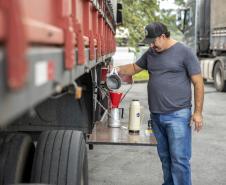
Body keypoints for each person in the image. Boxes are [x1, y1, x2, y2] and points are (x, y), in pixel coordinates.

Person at [115, 22, 204, 185]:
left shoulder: (184, 52)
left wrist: (198, 113)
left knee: (179, 160)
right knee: (165, 159)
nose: (151, 45)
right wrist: (115, 69)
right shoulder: (151, 53)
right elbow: (134, 68)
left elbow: (198, 83)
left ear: (163, 36)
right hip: (156, 116)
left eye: (153, 41)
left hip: (178, 115)